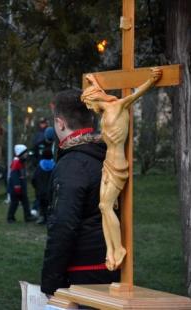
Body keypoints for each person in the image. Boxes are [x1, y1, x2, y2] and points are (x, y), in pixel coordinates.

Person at [41, 89, 120, 297]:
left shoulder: (73, 165)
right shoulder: (105, 154)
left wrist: (52, 283)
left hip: (84, 269)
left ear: (60, 123)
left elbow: (63, 225)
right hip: (110, 263)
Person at [81, 69, 162, 271]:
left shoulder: (117, 106)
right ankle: (110, 250)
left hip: (118, 164)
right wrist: (92, 81)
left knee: (106, 207)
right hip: (107, 162)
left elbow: (135, 94)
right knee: (102, 207)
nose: (89, 108)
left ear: (92, 99)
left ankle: (119, 249)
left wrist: (151, 80)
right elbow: (99, 93)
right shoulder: (105, 108)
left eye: (88, 103)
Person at [7, 144, 36, 223]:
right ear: (21, 153)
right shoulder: (16, 163)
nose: (26, 155)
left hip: (21, 188)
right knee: (14, 203)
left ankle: (28, 216)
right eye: (25, 153)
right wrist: (17, 187)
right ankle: (10, 217)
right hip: (16, 188)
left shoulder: (21, 162)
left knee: (25, 202)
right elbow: (14, 176)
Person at [31, 148, 55, 225]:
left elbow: (34, 178)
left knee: (42, 205)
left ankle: (42, 218)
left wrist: (35, 187)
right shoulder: (54, 166)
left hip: (40, 191)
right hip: (50, 191)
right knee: (50, 205)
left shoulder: (39, 166)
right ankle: (49, 219)